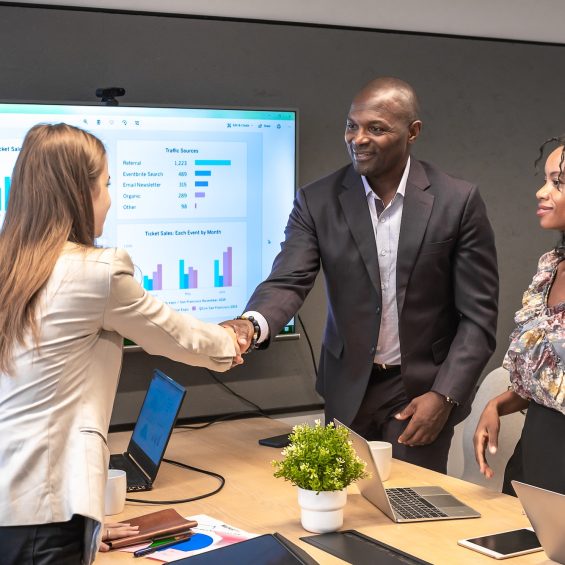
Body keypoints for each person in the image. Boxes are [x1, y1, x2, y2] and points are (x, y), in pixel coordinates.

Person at [226, 77, 498, 473]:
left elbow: (479, 317)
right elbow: (288, 279)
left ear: (412, 132)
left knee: (410, 506)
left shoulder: (457, 202)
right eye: (352, 126)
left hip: (420, 390)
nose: (358, 138)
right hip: (348, 387)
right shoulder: (317, 200)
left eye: (377, 128)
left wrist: (445, 395)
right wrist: (251, 324)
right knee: (345, 506)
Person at [0, 123, 243, 564]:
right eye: (107, 184)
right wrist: (237, 338)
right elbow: (178, 337)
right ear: (81, 192)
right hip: (42, 512)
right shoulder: (96, 273)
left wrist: (86, 526)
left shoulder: (10, 268)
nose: (110, 199)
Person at [474, 136, 565, 496]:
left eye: (558, 182)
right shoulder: (550, 267)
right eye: (545, 180)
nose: (541, 192)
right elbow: (550, 384)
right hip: (533, 461)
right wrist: (496, 404)